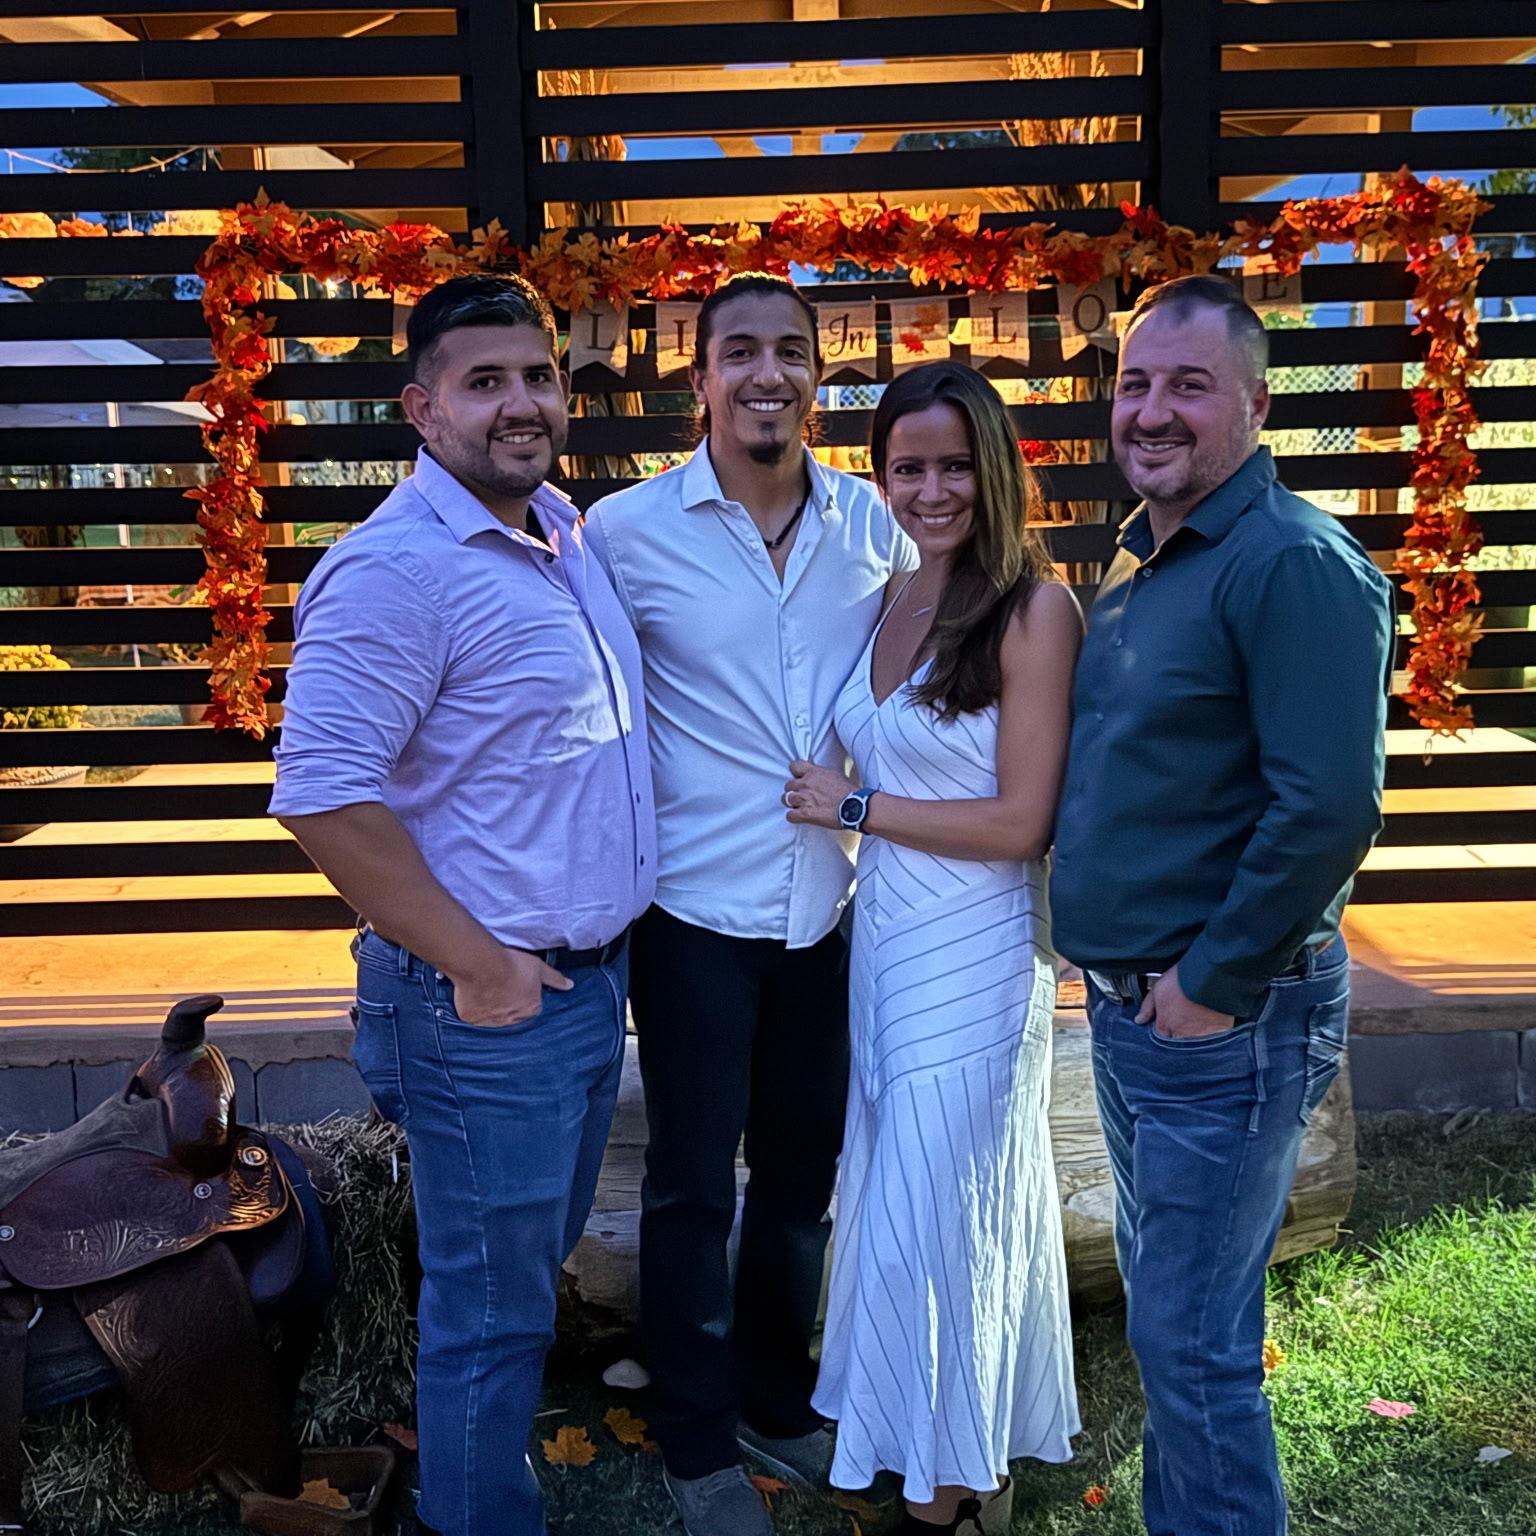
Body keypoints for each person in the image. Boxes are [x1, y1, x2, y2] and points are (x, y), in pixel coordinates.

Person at [269, 273, 655, 1536]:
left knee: (516, 1288)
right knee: (490, 1314)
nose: (521, 402)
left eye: (537, 375)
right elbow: (325, 798)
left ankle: (480, 1489)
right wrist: (483, 967)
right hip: (481, 1004)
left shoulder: (563, 533)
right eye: (484, 381)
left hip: (576, 986)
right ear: (421, 408)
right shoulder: (396, 571)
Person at [1050, 275, 1395, 1536]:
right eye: (1136, 382)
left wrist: (1209, 983)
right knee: (1174, 1327)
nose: (1151, 410)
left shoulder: (1290, 563)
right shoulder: (1154, 553)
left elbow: (1329, 807)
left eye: (1188, 386)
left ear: (1255, 404)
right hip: (1144, 1015)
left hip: (1221, 1021)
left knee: (1194, 1349)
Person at [584, 272, 916, 1536]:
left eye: (790, 351)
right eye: (741, 352)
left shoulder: (875, 527)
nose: (767, 373)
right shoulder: (625, 534)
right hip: (691, 918)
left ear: (818, 376)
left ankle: (778, 1394)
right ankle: (693, 1433)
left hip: (827, 912)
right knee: (688, 1184)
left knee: (798, 1174)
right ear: (701, 376)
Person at [784, 362, 1082, 1535]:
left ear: (996, 468)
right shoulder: (888, 596)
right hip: (888, 945)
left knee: (948, 1209)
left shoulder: (1034, 610)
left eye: (956, 465)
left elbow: (1022, 823)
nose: (932, 489)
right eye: (907, 468)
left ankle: (953, 1487)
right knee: (902, 1202)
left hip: (980, 949)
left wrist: (855, 808)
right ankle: (919, 1437)